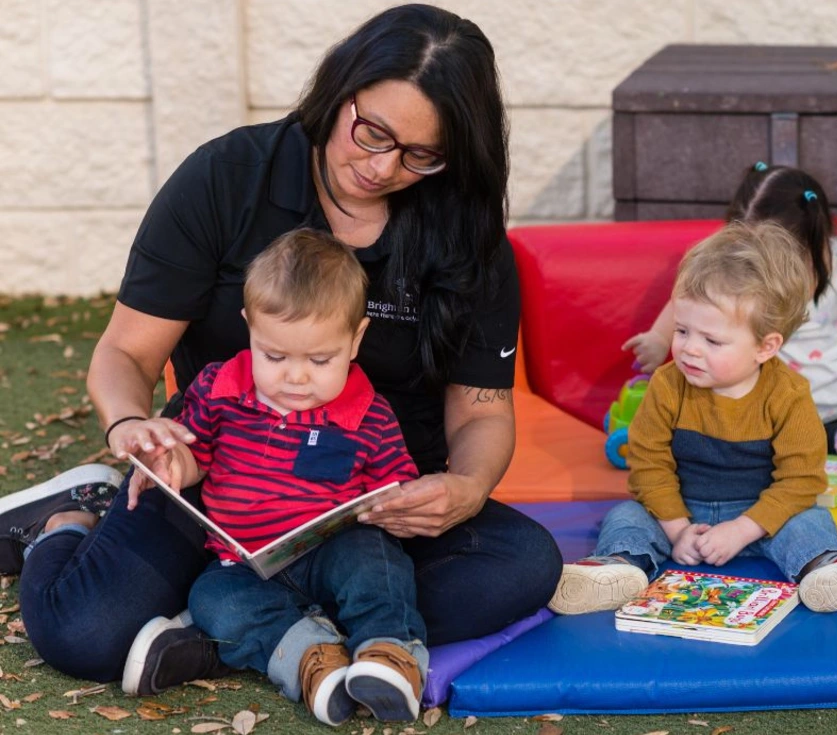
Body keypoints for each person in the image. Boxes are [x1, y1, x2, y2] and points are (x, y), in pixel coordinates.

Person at [7, 3, 562, 700]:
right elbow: (125, 352)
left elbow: (481, 411)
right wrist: (131, 427)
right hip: (216, 478)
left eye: (420, 154)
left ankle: (226, 629)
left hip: (368, 508)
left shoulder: (466, 235)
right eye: (372, 133)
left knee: (522, 564)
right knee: (83, 632)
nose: (382, 166)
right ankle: (67, 520)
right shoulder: (227, 178)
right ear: (342, 88)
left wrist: (467, 488)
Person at [120, 230, 426, 724]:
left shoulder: (370, 415)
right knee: (212, 599)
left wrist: (395, 508)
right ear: (249, 329)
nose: (295, 378)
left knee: (375, 561)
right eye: (275, 356)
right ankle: (311, 661)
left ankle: (389, 656)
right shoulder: (220, 389)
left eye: (320, 360)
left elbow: (397, 490)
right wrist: (174, 464)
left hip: (330, 553)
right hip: (244, 563)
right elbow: (196, 456)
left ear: (356, 340)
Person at [548, 222, 837, 616]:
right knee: (625, 516)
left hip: (764, 515)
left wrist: (745, 528)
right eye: (682, 330)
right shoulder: (667, 385)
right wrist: (677, 528)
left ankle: (825, 568)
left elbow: (801, 480)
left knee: (810, 520)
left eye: (711, 341)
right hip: (679, 511)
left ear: (765, 347)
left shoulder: (788, 394)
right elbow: (648, 463)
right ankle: (618, 567)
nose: (689, 350)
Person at [623, 163, 837, 458]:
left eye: (766, 247)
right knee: (755, 416)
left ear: (808, 239)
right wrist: (659, 337)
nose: (754, 256)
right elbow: (693, 299)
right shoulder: (746, 269)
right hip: (781, 403)